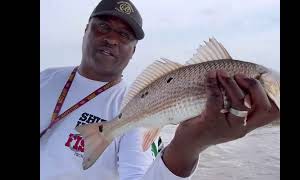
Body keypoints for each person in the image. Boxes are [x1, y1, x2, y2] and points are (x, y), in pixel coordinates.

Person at [40, 0, 280, 179]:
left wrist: (189, 146)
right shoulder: (45, 78)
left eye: (124, 35)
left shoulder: (130, 106)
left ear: (133, 50)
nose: (112, 39)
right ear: (86, 30)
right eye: (103, 27)